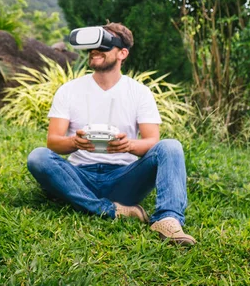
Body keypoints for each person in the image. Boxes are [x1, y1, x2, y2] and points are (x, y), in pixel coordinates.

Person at [27, 22, 196, 245]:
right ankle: (113, 210)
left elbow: (152, 142)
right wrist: (75, 142)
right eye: (92, 46)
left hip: (123, 179)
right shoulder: (68, 90)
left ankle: (167, 220)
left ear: (122, 53)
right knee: (38, 157)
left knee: (171, 146)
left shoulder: (140, 93)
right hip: (80, 176)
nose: (95, 50)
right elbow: (53, 143)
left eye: (105, 45)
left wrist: (128, 146)